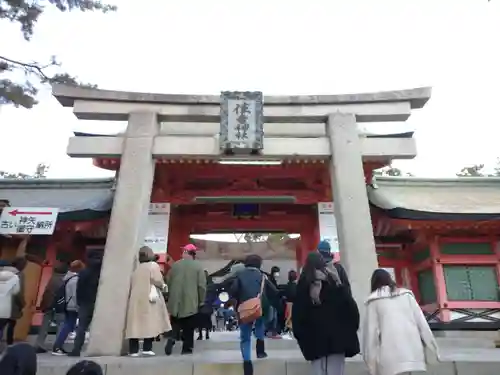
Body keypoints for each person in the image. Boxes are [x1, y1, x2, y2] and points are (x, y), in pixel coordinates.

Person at [293, 252, 360, 375]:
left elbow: (298, 318)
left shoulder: (302, 286)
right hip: (337, 340)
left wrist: (303, 339)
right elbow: (350, 309)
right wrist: (351, 329)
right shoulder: (334, 282)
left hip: (314, 341)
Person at [362, 269, 440, 375]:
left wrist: (370, 362)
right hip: (413, 352)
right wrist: (433, 348)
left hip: (389, 356)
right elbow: (422, 324)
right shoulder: (407, 296)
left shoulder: (373, 302)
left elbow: (371, 335)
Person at [230, 254, 280, 375]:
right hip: (259, 308)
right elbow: (274, 291)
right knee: (259, 326)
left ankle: (247, 364)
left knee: (245, 338)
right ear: (259, 264)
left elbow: (233, 291)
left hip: (244, 309)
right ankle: (260, 350)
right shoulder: (262, 276)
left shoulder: (239, 275)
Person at [125, 246, 171, 357]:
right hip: (149, 298)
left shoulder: (137, 268)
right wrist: (164, 286)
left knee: (134, 324)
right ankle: (147, 347)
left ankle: (133, 350)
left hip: (135, 298)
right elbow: (158, 280)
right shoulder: (153, 266)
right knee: (149, 323)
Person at [164, 244, 206, 356]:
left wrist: (170, 295)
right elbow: (201, 285)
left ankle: (172, 338)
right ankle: (186, 348)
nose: (181, 253)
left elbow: (168, 280)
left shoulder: (175, 265)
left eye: (183, 252)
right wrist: (201, 300)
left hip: (175, 299)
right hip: (190, 300)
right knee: (189, 326)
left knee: (176, 322)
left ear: (186, 253)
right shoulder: (198, 266)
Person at [68, 250, 103, 357]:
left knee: (82, 327)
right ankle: (98, 348)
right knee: (100, 326)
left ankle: (76, 349)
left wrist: (79, 301)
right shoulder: (103, 271)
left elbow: (79, 288)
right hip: (99, 301)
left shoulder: (84, 271)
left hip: (85, 302)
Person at [52, 260, 85, 355]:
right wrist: (78, 305)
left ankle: (58, 346)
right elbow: (75, 294)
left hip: (68, 304)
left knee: (68, 325)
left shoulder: (68, 278)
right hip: (73, 305)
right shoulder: (75, 280)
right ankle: (57, 346)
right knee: (68, 325)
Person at [34, 262, 69, 353]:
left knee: (45, 325)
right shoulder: (65, 280)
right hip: (59, 306)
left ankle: (39, 344)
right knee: (61, 324)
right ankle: (58, 344)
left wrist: (42, 305)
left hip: (48, 305)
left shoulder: (52, 279)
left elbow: (46, 293)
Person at [0, 257, 26, 346]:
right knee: (10, 325)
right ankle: (9, 345)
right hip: (11, 306)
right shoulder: (18, 275)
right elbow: (17, 293)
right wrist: (22, 304)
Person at [283, 269, 298, 334]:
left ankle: (287, 329)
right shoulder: (296, 286)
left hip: (288, 303)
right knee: (291, 317)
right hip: (294, 304)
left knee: (288, 316)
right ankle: (289, 330)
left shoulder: (287, 285)